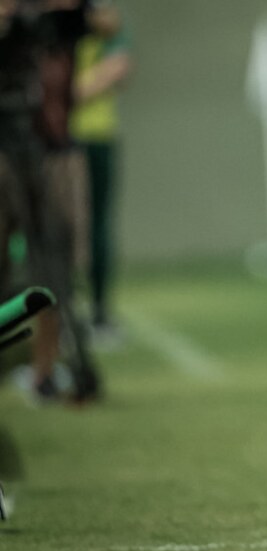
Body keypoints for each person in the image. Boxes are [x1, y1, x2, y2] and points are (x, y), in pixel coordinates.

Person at [0, 0, 100, 404]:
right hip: (4, 152)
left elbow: (101, 21)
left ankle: (46, 372)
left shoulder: (57, 20)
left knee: (54, 269)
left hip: (52, 151)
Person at [69, 0, 130, 337]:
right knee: (59, 228)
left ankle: (99, 310)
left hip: (97, 134)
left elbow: (121, 66)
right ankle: (61, 311)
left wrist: (69, 91)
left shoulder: (101, 17)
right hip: (54, 138)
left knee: (98, 227)